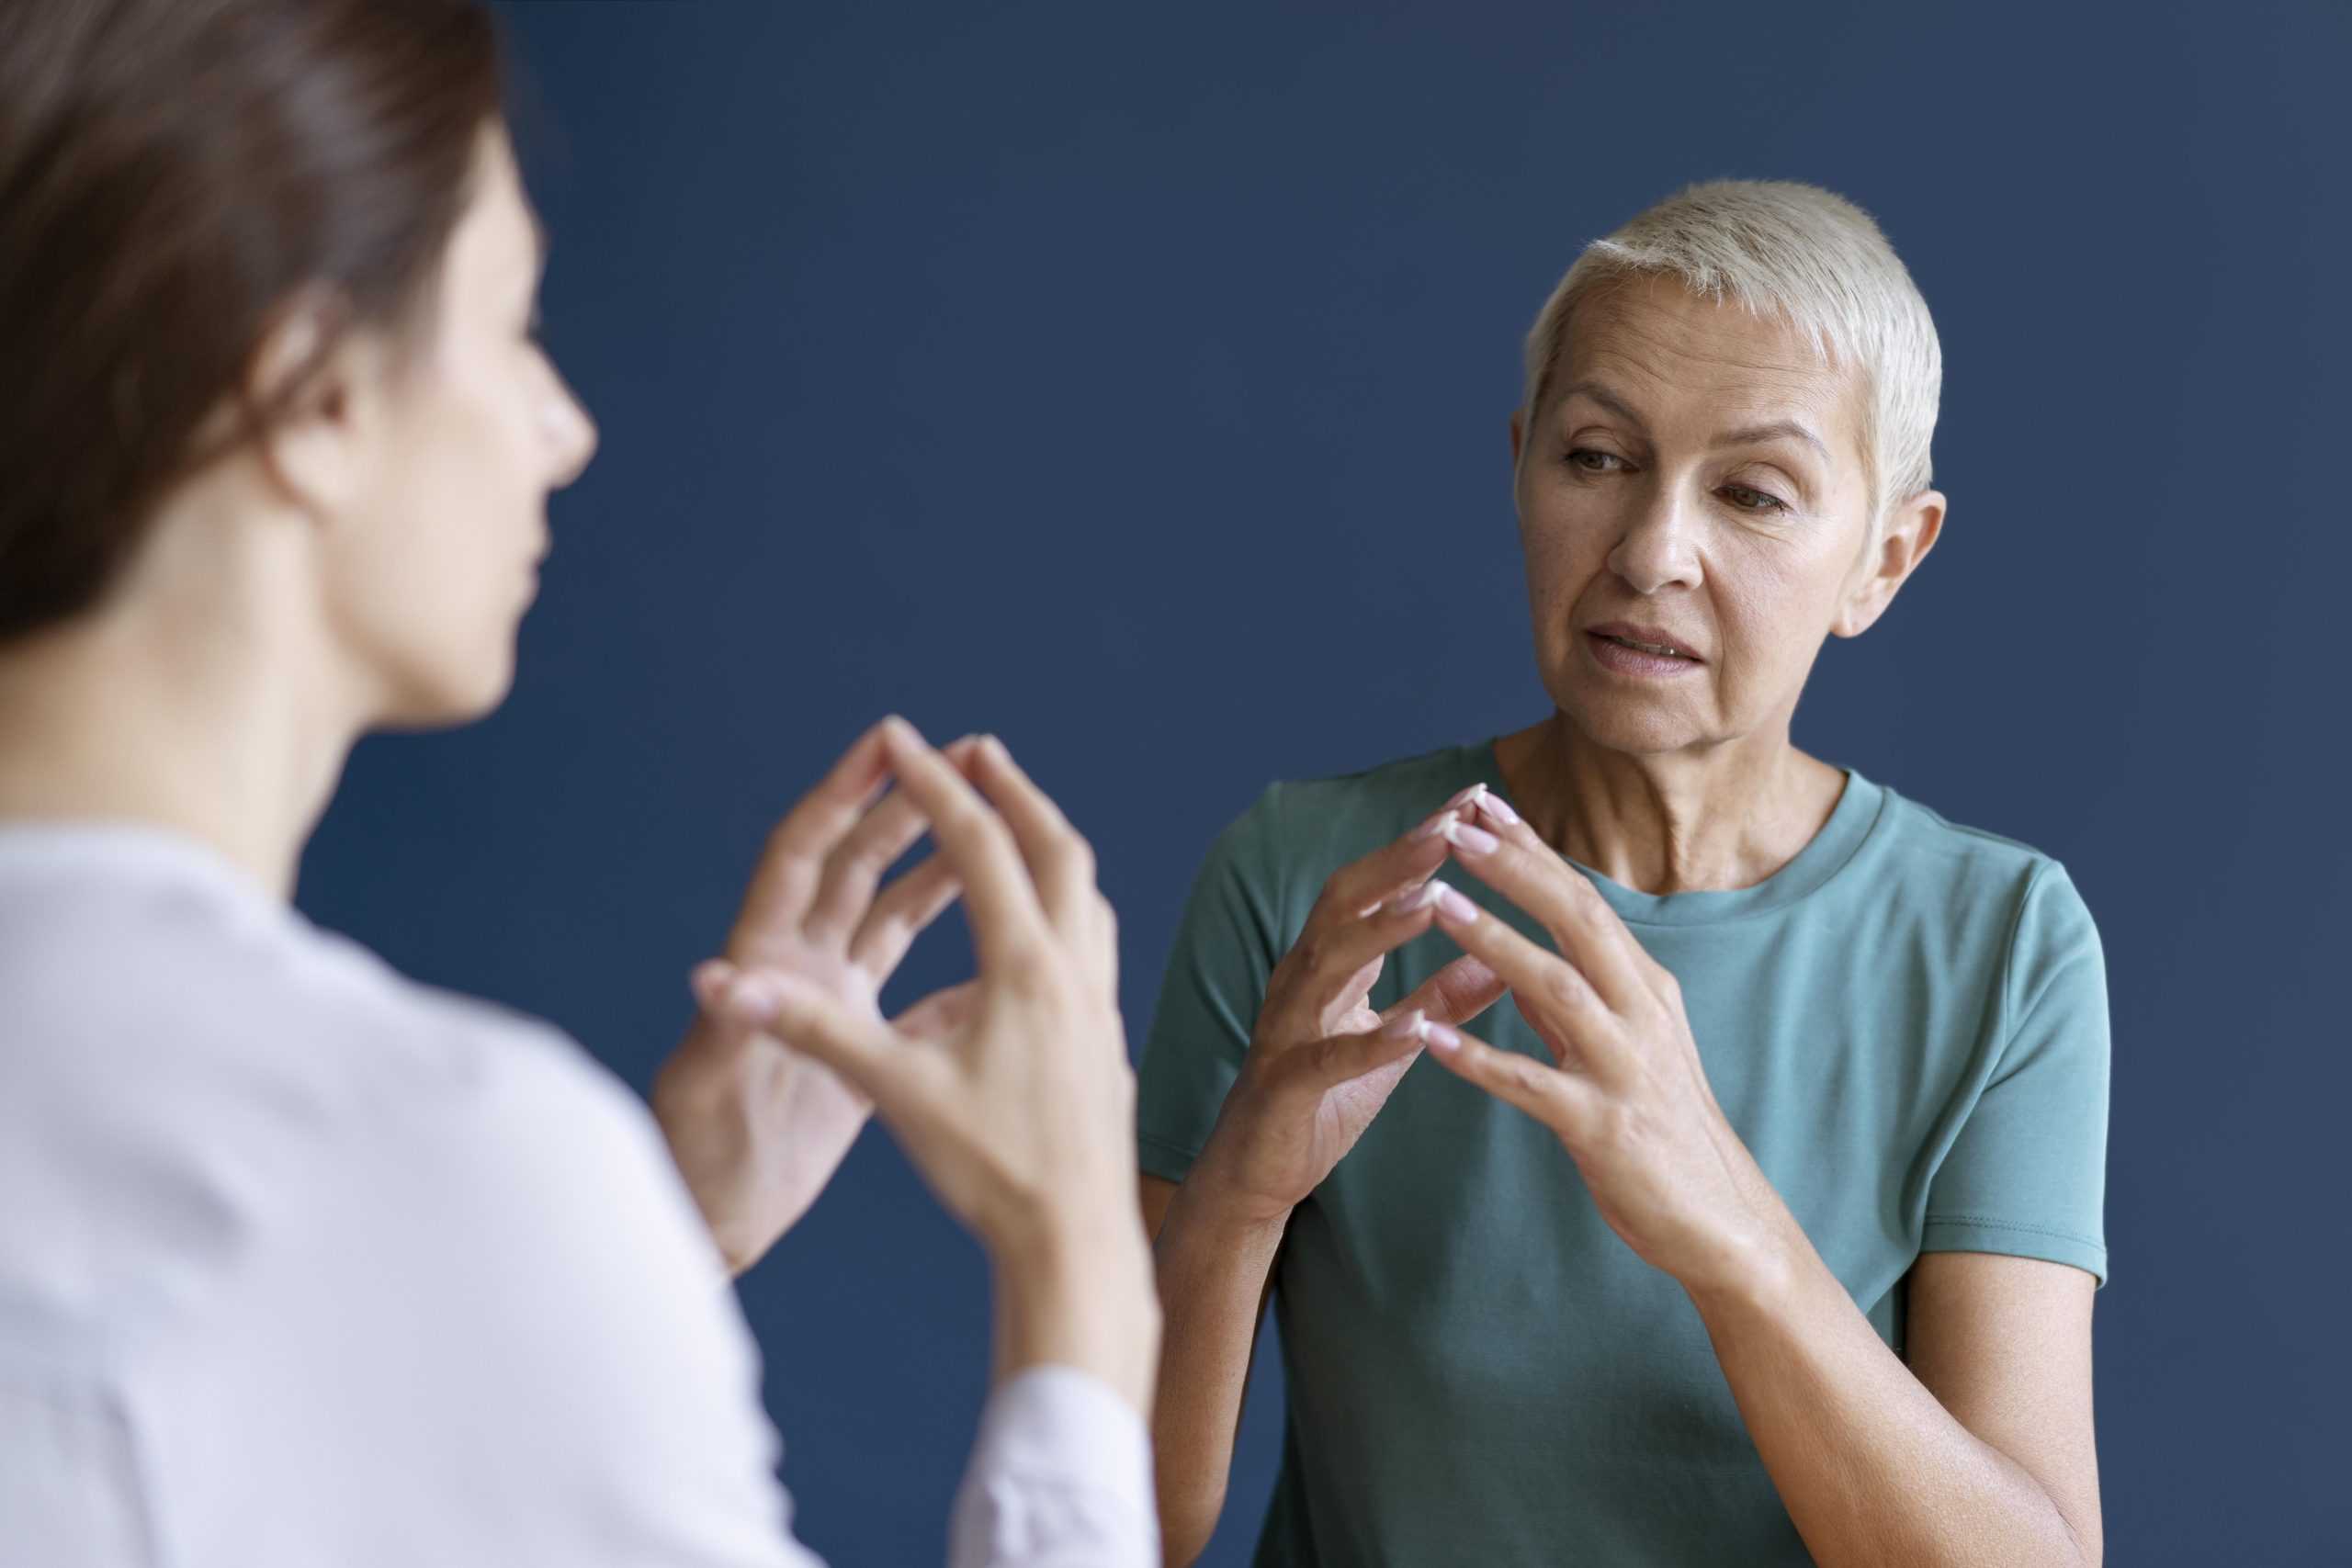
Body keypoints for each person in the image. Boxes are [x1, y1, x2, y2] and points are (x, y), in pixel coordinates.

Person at [0, 3, 1159, 1563]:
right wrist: (1077, 1266)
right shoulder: (419, 1146)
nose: (565, 429)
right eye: (514, 325)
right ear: (316, 396)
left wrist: (656, 1240)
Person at [1139, 182, 2109, 1567]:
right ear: (1520, 467)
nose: (1652, 554)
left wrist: (1727, 1228)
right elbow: (1106, 1533)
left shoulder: (1997, 942)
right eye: (1596, 458)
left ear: (1883, 561)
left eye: (1753, 493)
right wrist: (1239, 1195)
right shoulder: (1309, 880)